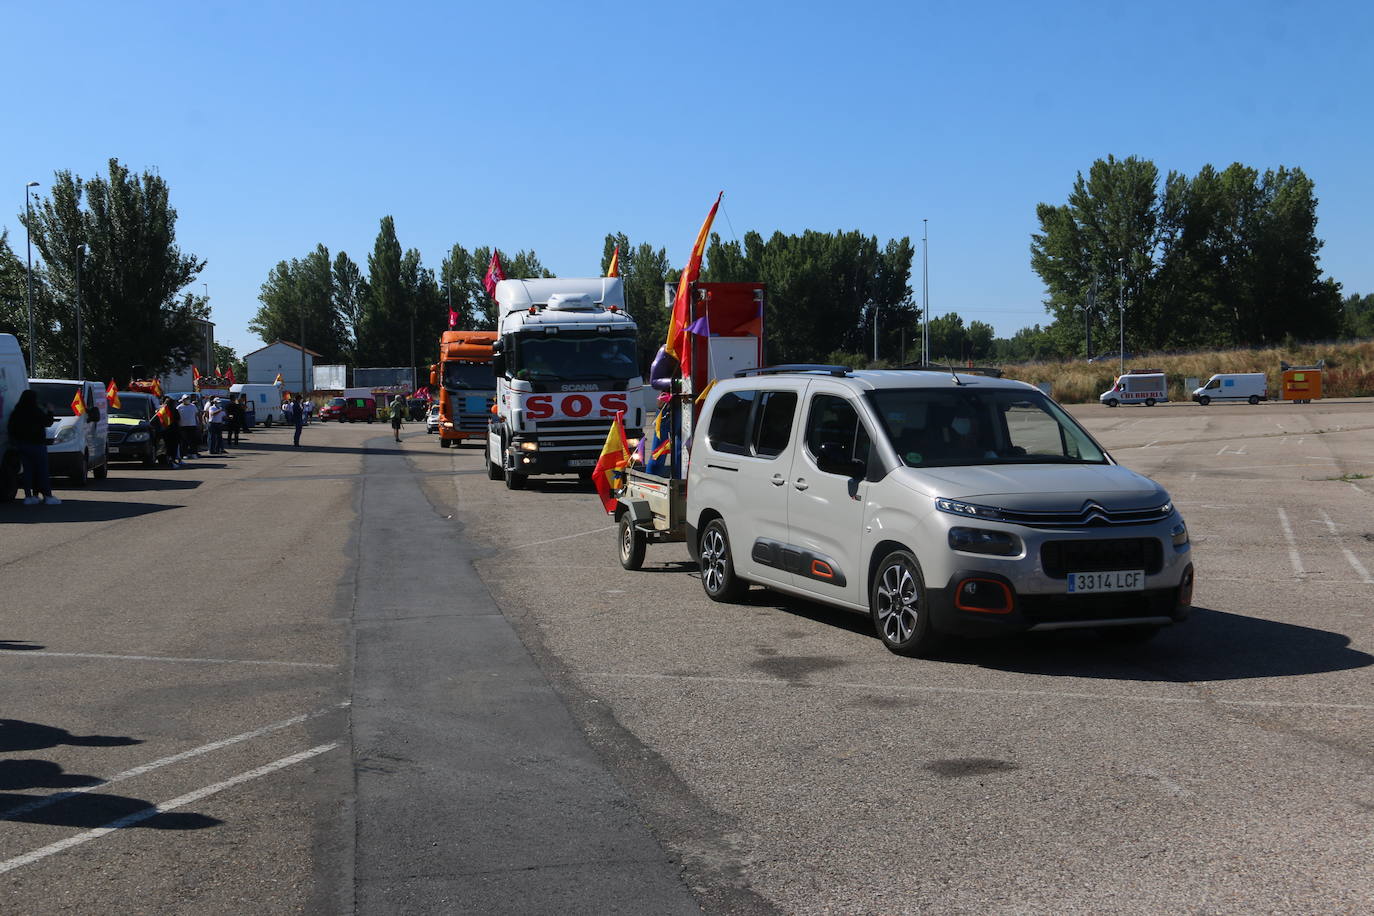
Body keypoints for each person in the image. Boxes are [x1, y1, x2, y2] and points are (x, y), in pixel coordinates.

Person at [6, 389, 60, 505]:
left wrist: (15, 442)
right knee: (42, 471)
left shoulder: (17, 412)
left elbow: (11, 428)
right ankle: (47, 496)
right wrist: (50, 411)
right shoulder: (36, 411)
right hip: (37, 446)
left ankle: (29, 496)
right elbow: (47, 422)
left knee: (28, 472)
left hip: (22, 446)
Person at [176, 395, 202, 460]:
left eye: (188, 398)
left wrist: (199, 423)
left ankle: (193, 453)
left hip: (192, 425)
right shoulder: (179, 407)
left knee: (193, 441)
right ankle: (184, 454)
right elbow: (177, 417)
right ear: (182, 400)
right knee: (184, 441)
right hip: (183, 426)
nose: (187, 399)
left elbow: (197, 414)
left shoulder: (193, 406)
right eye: (186, 399)